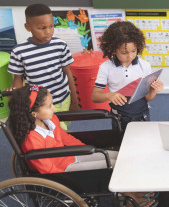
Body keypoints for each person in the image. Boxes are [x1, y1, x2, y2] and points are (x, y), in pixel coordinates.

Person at [8, 85, 158, 207]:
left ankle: (129, 190)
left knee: (119, 156)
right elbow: (47, 169)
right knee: (112, 165)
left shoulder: (50, 120)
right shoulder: (31, 139)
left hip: (70, 155)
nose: (53, 109)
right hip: (63, 170)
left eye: (52, 104)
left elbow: (65, 138)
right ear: (33, 113)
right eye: (49, 106)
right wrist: (71, 172)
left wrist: (85, 150)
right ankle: (129, 197)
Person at [7, 3, 78, 130]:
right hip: (38, 105)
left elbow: (68, 73)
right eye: (42, 28)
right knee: (52, 133)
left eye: (51, 26)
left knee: (61, 130)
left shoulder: (60, 45)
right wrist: (18, 103)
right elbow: (18, 79)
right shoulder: (19, 51)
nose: (48, 32)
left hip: (63, 100)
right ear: (28, 27)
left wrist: (74, 99)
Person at [91, 21, 163, 131]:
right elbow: (95, 97)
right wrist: (109, 96)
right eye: (124, 53)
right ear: (113, 49)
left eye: (134, 51)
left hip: (142, 114)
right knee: (121, 143)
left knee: (144, 140)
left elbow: (148, 98)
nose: (130, 56)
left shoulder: (145, 66)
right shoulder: (105, 67)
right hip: (119, 117)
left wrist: (153, 90)